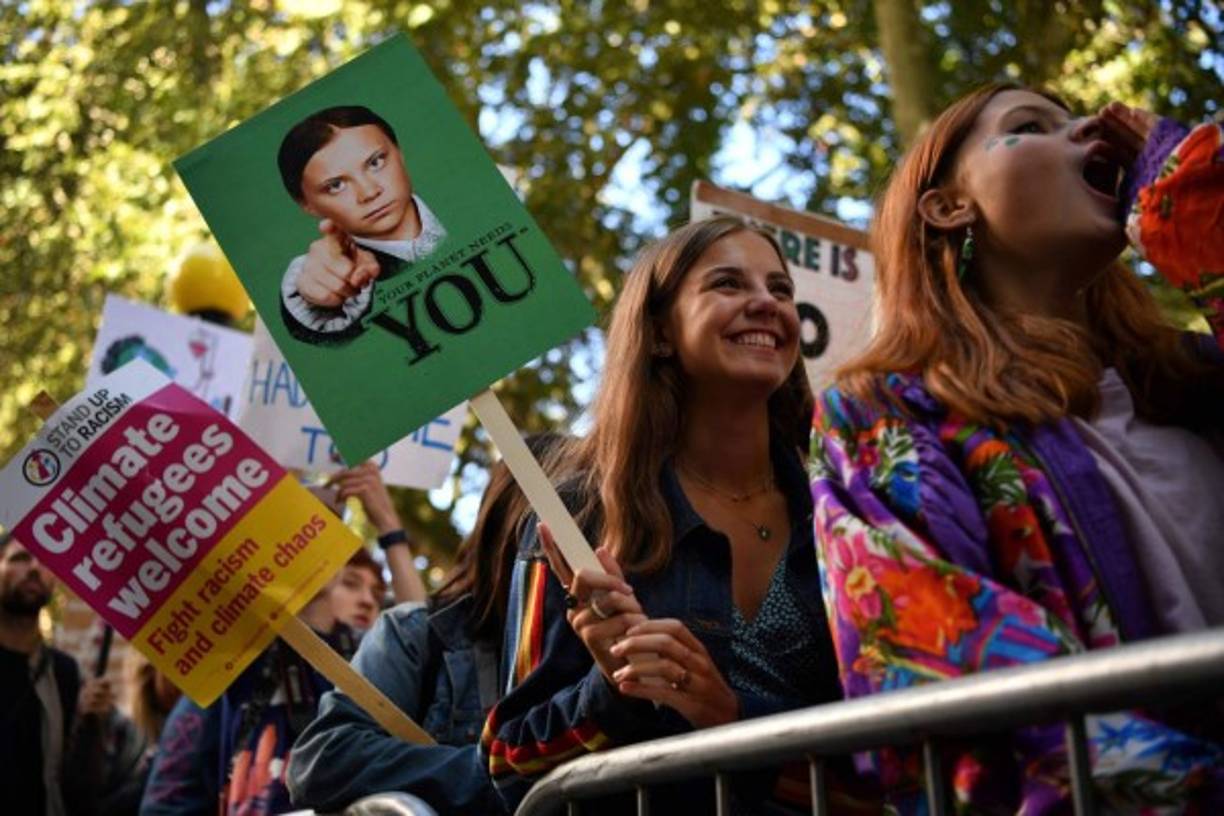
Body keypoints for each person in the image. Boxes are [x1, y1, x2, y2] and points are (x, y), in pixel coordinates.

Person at [808, 83, 1224, 812]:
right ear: (947, 206)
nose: (1094, 126)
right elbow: (948, 678)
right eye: (1032, 126)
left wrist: (1195, 205)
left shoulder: (1198, 380)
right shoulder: (883, 417)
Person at [481, 217, 844, 812]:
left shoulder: (845, 506)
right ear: (659, 334)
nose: (765, 303)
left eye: (780, 290)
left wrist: (727, 714)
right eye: (728, 284)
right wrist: (613, 687)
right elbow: (511, 764)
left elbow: (897, 749)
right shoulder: (578, 518)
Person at [287, 434, 562, 815]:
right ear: (518, 528)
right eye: (574, 519)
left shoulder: (609, 652)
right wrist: (498, 774)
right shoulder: (418, 635)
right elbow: (323, 760)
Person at [276, 104, 447, 345]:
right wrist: (314, 295)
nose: (369, 192)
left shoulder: (470, 200)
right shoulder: (339, 271)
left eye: (376, 162)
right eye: (336, 185)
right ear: (307, 205)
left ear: (400, 153)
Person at [0, 530, 114, 816]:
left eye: (46, 562)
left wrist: (91, 724)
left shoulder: (63, 672)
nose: (35, 569)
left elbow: (77, 787)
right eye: (20, 558)